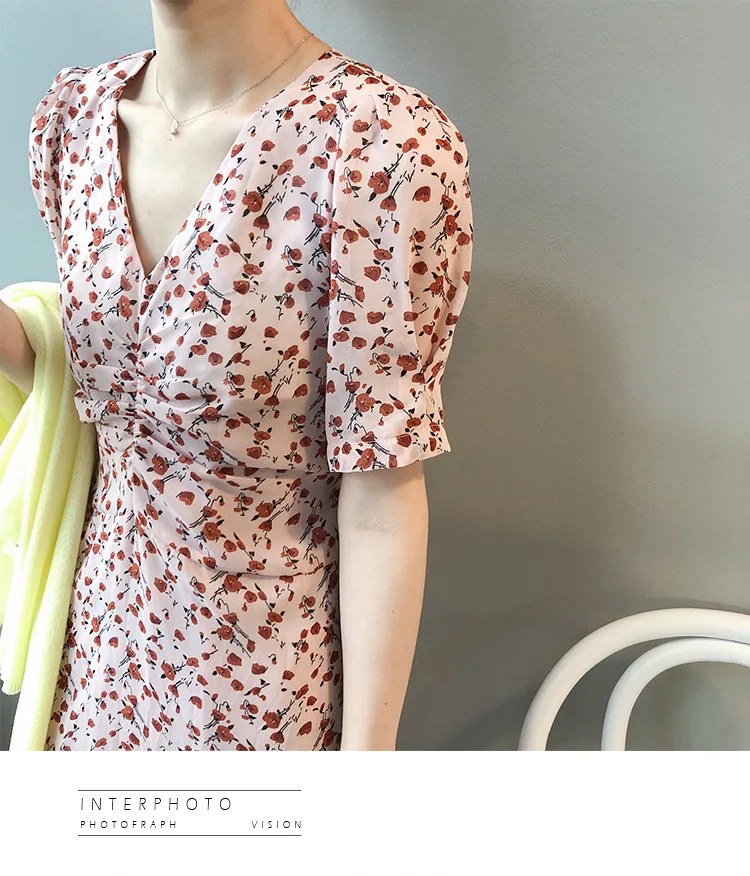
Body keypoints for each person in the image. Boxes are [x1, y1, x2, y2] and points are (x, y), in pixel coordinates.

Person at [3, 0, 473, 750]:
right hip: (94, 653)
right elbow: (113, 387)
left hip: (258, 683)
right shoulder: (76, 120)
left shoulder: (380, 147)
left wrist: (367, 769)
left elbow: (381, 489)